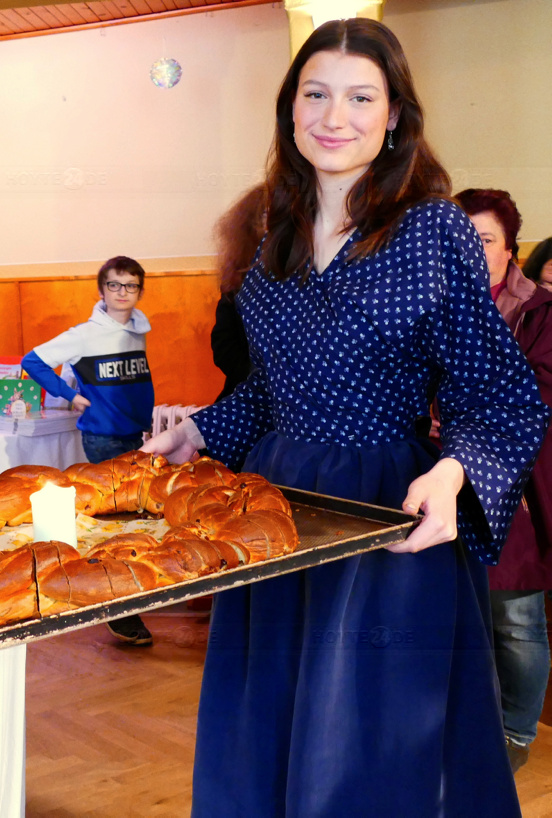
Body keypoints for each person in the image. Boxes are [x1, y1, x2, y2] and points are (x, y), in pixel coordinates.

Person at [142, 21, 547, 816]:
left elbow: (502, 394)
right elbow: (270, 388)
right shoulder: (273, 236)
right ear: (290, 109)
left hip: (382, 514)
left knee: (367, 745)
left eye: (362, 96)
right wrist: (201, 431)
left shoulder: (432, 230)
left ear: (394, 114)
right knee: (266, 724)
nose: (336, 115)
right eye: (316, 93)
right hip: (273, 512)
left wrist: (454, 471)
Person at [456, 187, 552, 771]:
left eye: (484, 239)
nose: (472, 250)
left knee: (516, 617)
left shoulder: (538, 313)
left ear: (510, 250)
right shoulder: (432, 306)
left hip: (513, 484)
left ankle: (516, 732)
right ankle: (471, 722)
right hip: (439, 481)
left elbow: (537, 400)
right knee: (458, 611)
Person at [21, 256, 157, 646]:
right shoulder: (84, 334)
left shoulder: (138, 329)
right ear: (101, 291)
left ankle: (127, 598)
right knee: (117, 528)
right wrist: (69, 395)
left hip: (134, 436)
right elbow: (34, 360)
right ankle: (119, 610)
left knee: (134, 525)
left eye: (131, 286)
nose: (122, 293)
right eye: (114, 285)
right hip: (103, 439)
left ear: (139, 291)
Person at [209, 185, 266, 402]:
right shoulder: (238, 279)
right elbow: (224, 346)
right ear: (252, 224)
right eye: (267, 215)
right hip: (248, 394)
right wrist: (257, 378)